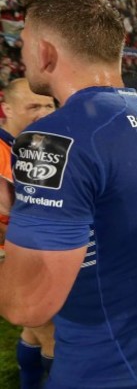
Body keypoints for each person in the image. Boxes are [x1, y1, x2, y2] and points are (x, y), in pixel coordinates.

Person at [0, 0, 137, 388]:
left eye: (24, 44)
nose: (19, 55)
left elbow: (27, 302)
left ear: (47, 52)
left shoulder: (54, 137)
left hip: (106, 360)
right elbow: (108, 214)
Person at [0, 78, 57, 389]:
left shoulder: (29, 146)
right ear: (7, 109)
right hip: (14, 257)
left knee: (33, 330)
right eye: (33, 106)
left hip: (24, 254)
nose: (44, 111)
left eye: (49, 104)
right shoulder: (2, 153)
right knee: (52, 332)